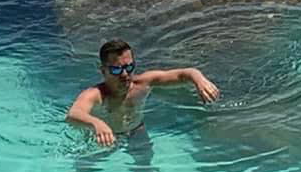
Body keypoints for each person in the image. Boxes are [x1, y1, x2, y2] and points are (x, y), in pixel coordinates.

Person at [67, 39, 220, 147]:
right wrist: (97, 124)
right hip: (104, 136)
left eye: (129, 67)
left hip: (136, 130)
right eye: (116, 69)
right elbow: (74, 114)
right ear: (103, 71)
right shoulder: (95, 94)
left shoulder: (143, 83)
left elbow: (184, 73)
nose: (125, 74)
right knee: (83, 169)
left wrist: (199, 79)